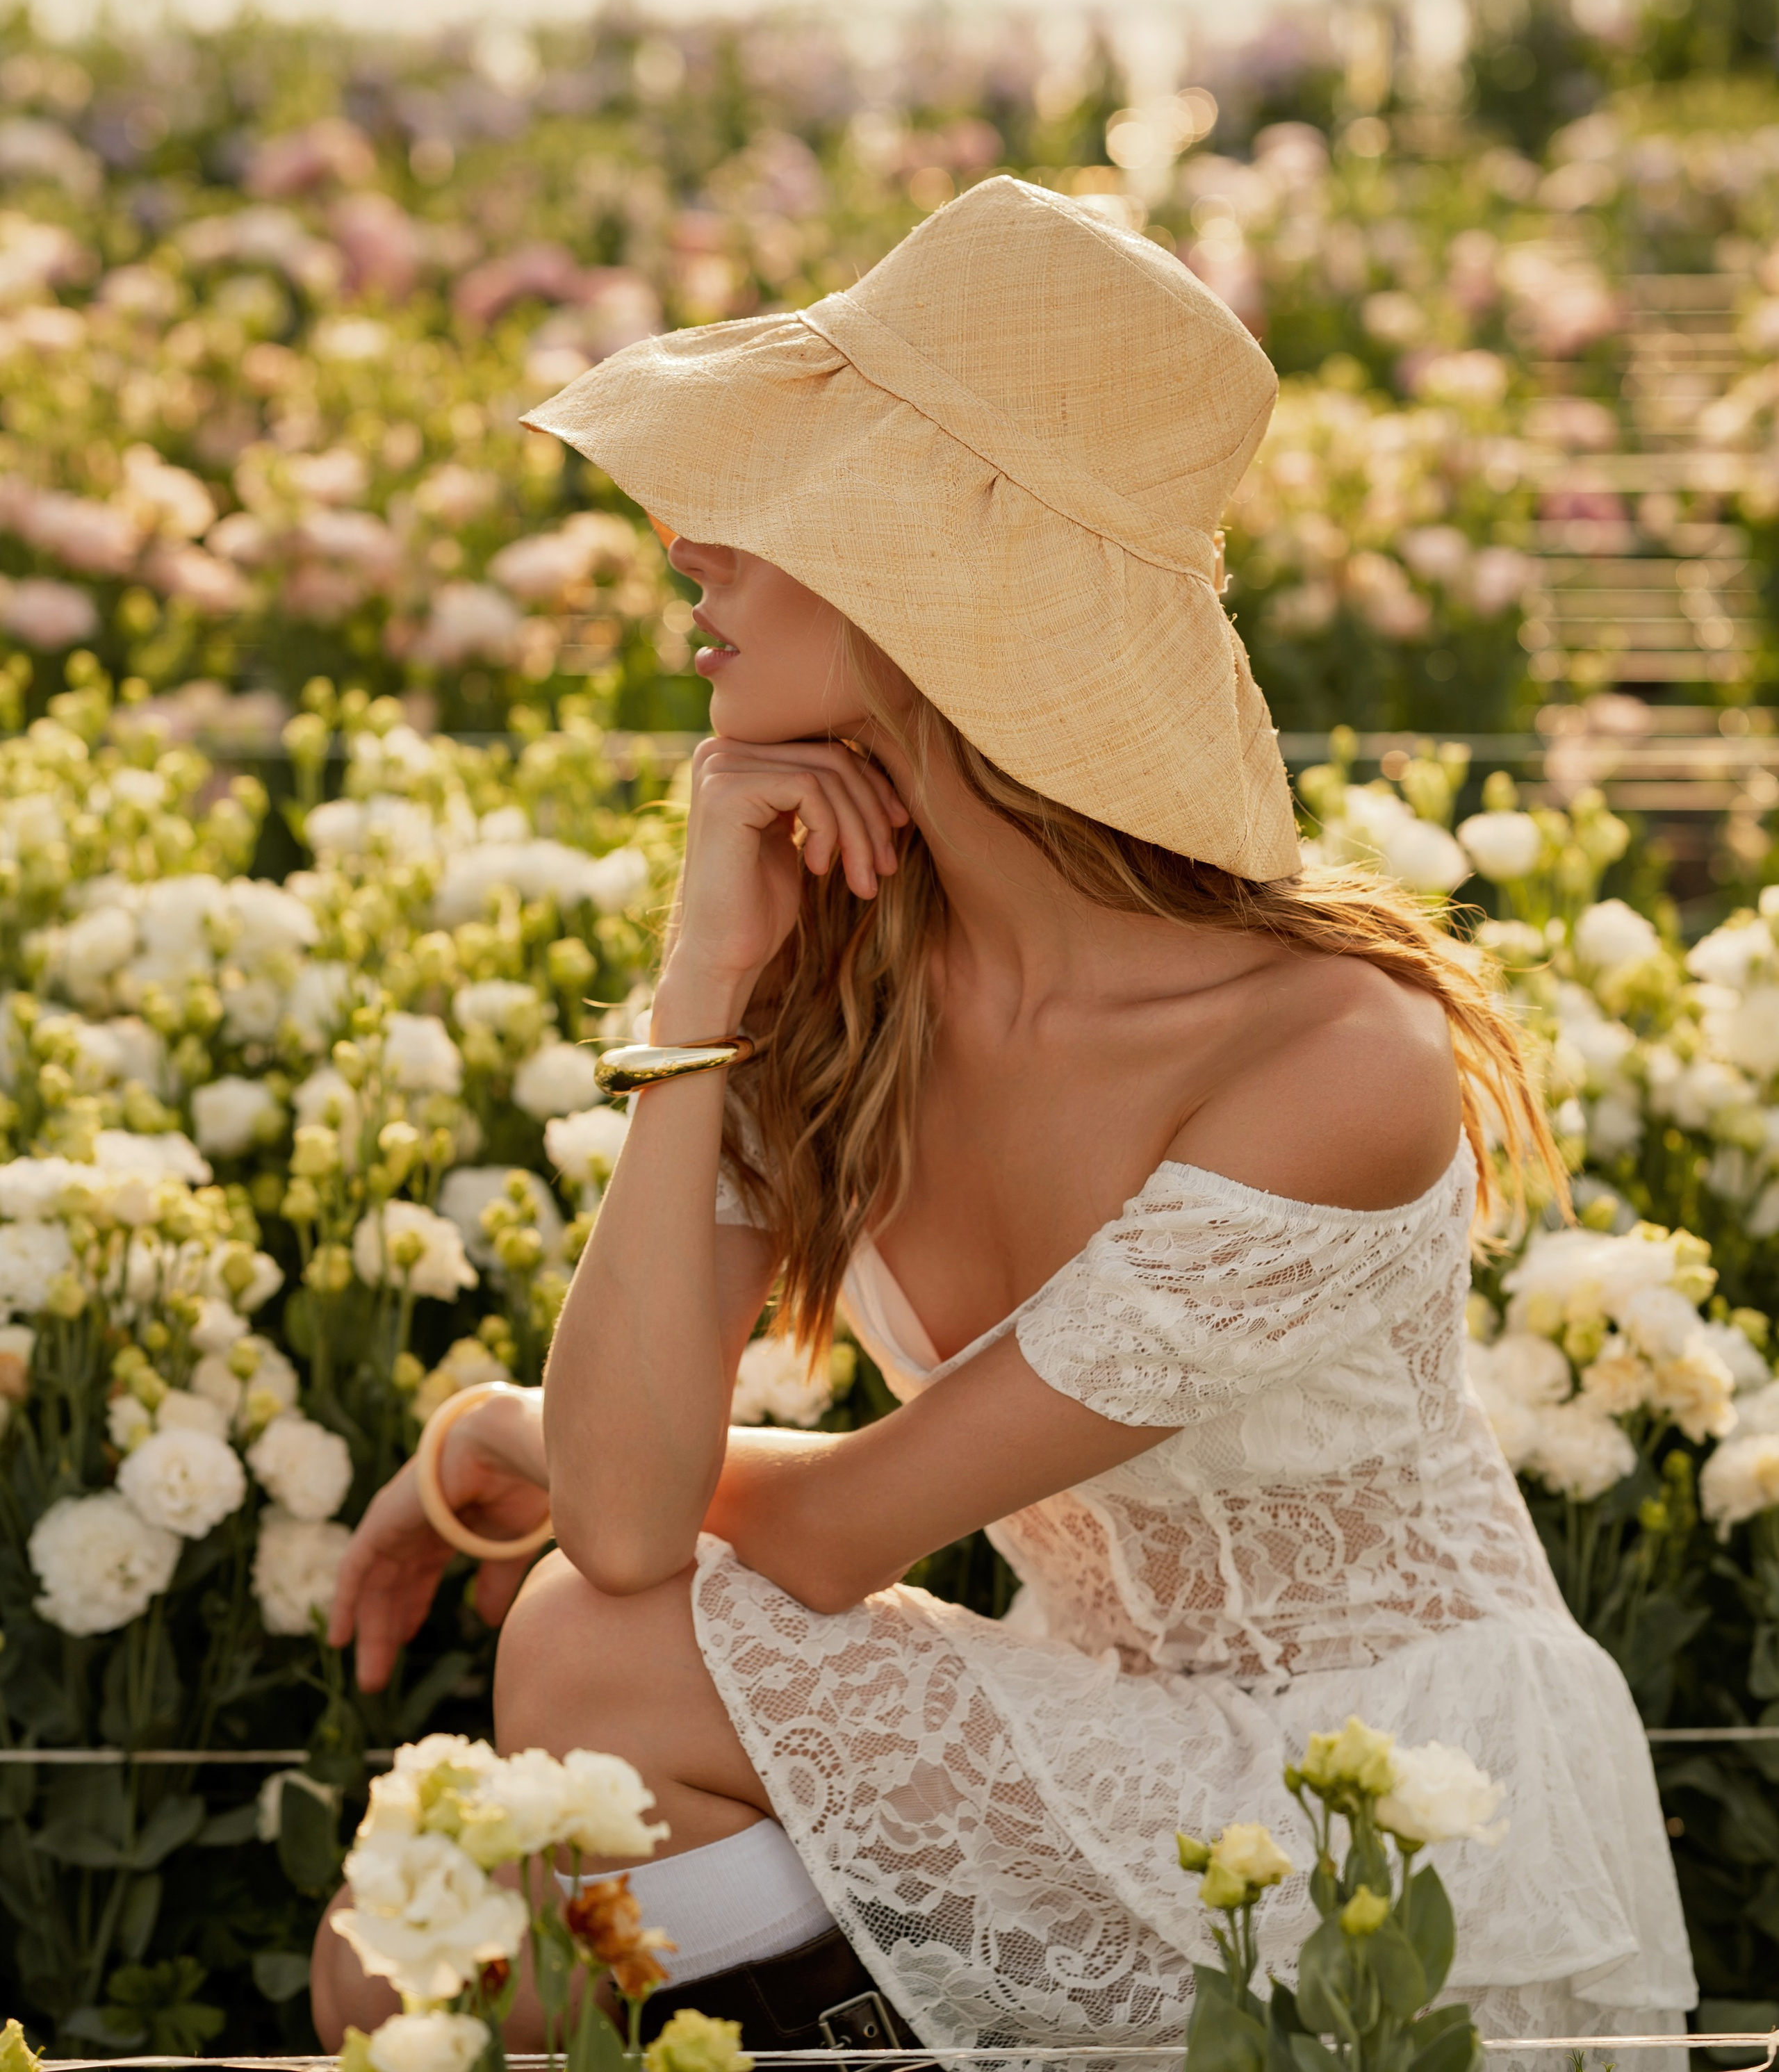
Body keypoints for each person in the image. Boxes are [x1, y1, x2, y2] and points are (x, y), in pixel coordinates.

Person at [313, 176, 1693, 2053]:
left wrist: (495, 1429)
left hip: (1400, 1824)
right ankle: (827, 2004)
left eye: (770, 508)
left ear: (927, 587)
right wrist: (706, 976)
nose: (681, 545)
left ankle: (815, 1999)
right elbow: (634, 1522)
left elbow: (820, 1534)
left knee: (570, 1659)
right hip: (1115, 1752)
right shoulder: (833, 988)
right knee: (401, 1955)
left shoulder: (1325, 1057)